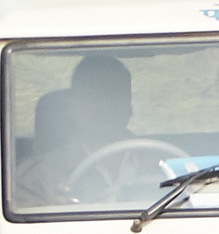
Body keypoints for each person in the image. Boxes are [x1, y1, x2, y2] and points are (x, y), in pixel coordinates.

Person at [12, 55, 137, 205]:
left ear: (129, 105)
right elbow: (20, 225)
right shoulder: (36, 177)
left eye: (116, 94)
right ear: (73, 106)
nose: (106, 105)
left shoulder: (161, 161)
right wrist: (51, 212)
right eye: (95, 95)